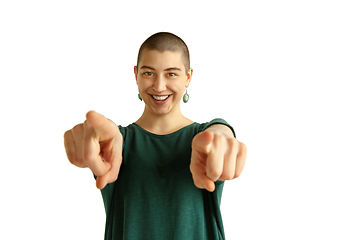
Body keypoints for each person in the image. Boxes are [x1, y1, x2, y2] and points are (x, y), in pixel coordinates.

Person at [64, 32, 247, 240]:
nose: (159, 86)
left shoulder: (203, 139)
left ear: (188, 77)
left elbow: (218, 132)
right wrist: (90, 138)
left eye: (171, 74)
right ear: (136, 75)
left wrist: (222, 133)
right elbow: (99, 139)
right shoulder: (115, 143)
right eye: (149, 73)